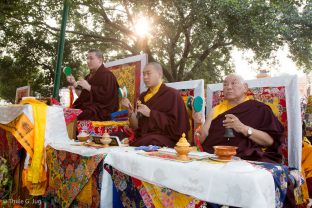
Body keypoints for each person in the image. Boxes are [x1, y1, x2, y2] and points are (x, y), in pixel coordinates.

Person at [196, 74, 284, 163]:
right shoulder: (215, 110)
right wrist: (197, 122)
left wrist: (242, 128)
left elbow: (269, 141)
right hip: (215, 157)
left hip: (246, 159)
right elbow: (201, 140)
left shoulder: (259, 109)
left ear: (245, 87)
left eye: (234, 83)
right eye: (225, 84)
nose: (229, 87)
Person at [121, 62, 190, 147]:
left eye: (148, 73)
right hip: (144, 136)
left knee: (149, 140)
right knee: (117, 136)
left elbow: (179, 127)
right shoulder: (143, 97)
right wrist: (130, 112)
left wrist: (151, 113)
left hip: (166, 138)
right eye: (144, 74)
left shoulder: (172, 95)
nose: (145, 77)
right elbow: (136, 127)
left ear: (159, 74)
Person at [67, 49, 119, 121]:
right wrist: (74, 83)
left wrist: (89, 87)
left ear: (100, 60)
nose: (88, 61)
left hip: (104, 110)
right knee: (71, 111)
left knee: (81, 114)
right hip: (90, 107)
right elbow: (82, 96)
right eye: (87, 58)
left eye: (91, 58)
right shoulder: (88, 76)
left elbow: (108, 97)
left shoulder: (107, 75)